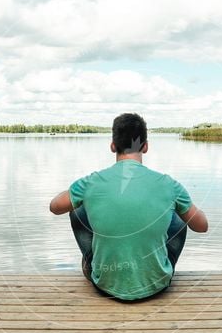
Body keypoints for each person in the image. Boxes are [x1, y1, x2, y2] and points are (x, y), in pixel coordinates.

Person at [49, 113, 208, 301]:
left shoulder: (91, 181)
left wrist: (80, 193)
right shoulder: (169, 184)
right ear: (145, 146)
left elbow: (55, 207)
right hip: (156, 286)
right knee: (180, 216)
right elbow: (202, 226)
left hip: (105, 285)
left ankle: (91, 263)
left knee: (76, 208)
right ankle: (155, 269)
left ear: (113, 146)